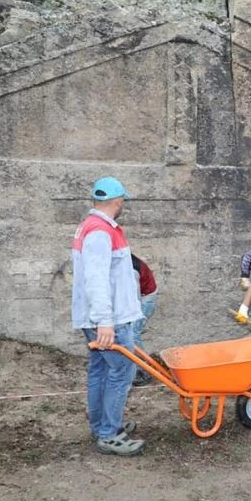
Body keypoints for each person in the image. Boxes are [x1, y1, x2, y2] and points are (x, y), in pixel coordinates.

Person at [72, 176, 146, 456]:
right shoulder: (100, 232)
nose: (123, 203)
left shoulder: (92, 227)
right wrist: (105, 321)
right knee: (122, 371)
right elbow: (96, 279)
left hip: (102, 316)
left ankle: (102, 424)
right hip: (109, 319)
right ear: (117, 200)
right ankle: (109, 434)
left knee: (100, 369)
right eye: (123, 200)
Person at [131, 253, 157, 386]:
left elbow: (134, 299)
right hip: (141, 298)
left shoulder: (131, 269)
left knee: (132, 334)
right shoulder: (124, 261)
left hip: (145, 301)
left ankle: (143, 371)